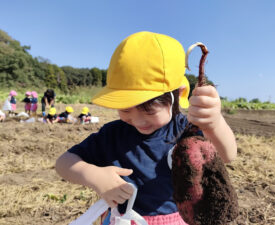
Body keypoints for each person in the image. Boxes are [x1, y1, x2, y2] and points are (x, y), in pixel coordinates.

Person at [55, 31, 237, 224]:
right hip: (123, 219)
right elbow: (64, 163)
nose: (138, 120)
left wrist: (214, 123)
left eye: (149, 110)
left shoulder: (186, 130)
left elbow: (228, 155)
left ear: (178, 94)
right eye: (125, 110)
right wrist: (94, 176)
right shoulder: (112, 135)